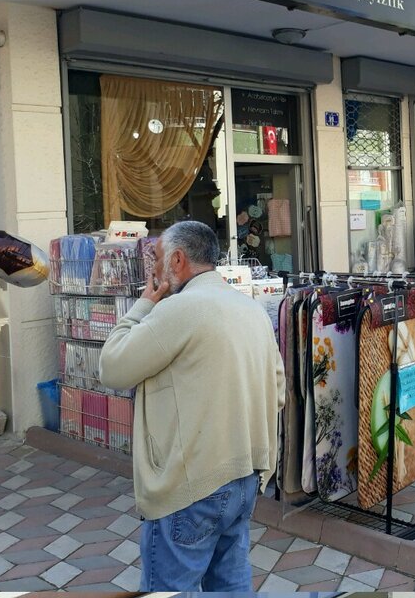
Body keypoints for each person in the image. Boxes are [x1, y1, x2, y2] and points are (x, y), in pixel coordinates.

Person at [100, 221, 285, 591]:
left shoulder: (179, 309)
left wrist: (144, 303)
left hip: (191, 486)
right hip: (245, 474)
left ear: (178, 260)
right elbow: (278, 390)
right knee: (231, 583)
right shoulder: (250, 309)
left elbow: (112, 367)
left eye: (157, 260)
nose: (153, 271)